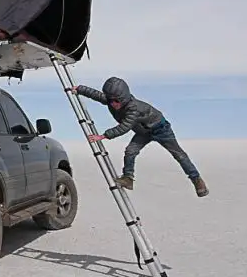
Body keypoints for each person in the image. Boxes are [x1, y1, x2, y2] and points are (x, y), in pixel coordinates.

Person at [71, 77, 208, 197]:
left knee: (179, 155)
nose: (113, 104)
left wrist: (103, 136)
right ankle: (128, 179)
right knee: (130, 151)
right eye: (111, 100)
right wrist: (80, 89)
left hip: (161, 129)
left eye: (116, 101)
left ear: (123, 98)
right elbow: (96, 94)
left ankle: (197, 180)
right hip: (143, 132)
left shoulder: (133, 108)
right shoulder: (110, 100)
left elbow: (125, 126)